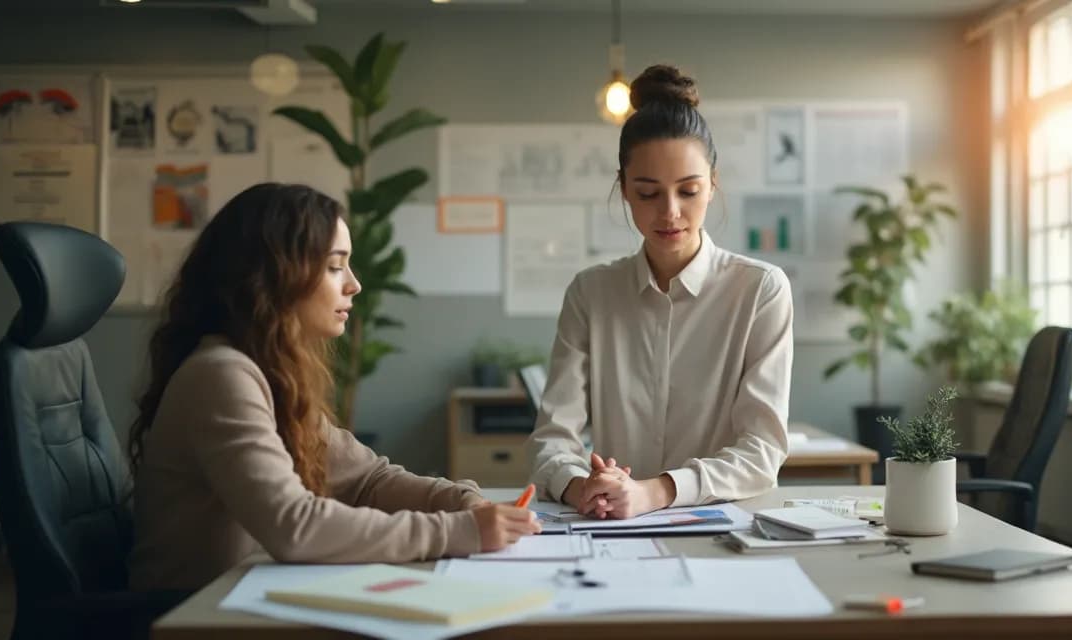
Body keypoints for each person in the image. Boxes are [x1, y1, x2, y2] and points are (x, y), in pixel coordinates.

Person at [127, 183, 538, 590]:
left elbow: (367, 480)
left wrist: (459, 501)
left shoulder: (268, 373)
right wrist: (458, 531)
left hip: (241, 602)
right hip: (190, 619)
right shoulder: (221, 375)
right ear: (273, 276)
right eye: (334, 266)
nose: (354, 284)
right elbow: (294, 525)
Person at [528, 65, 795, 520]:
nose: (670, 213)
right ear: (624, 190)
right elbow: (552, 440)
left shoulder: (760, 291)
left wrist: (655, 492)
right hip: (608, 526)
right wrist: (581, 487)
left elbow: (761, 452)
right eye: (648, 193)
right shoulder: (591, 293)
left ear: (712, 184)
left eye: (688, 191)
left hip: (720, 528)